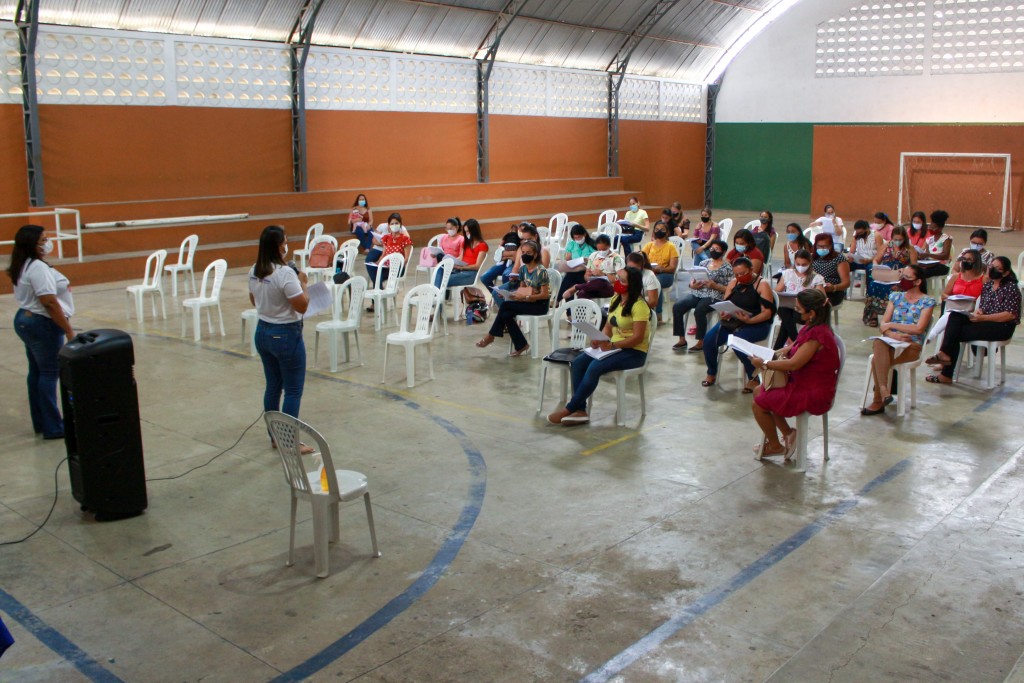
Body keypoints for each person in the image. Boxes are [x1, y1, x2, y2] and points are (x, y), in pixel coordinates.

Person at [546, 265, 652, 426]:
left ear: (632, 285)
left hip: (633, 352)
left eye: (622, 280)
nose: (617, 282)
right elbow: (609, 325)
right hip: (613, 348)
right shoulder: (617, 299)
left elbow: (637, 338)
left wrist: (612, 345)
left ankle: (569, 408)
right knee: (578, 363)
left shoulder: (639, 306)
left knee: (595, 367)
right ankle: (580, 411)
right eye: (617, 278)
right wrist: (600, 338)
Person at [750, 289, 840, 459]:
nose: (795, 312)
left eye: (798, 309)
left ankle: (776, 446)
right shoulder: (810, 328)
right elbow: (790, 348)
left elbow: (794, 363)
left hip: (813, 390)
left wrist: (764, 364)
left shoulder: (817, 335)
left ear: (811, 313)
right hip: (802, 381)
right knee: (759, 391)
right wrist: (770, 354)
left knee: (759, 404)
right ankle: (789, 433)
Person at [8, 225, 75, 440]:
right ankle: (53, 426)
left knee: (36, 372)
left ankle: (42, 421)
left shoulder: (23, 264)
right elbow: (50, 304)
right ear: (32, 244)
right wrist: (68, 331)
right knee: (49, 374)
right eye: (43, 239)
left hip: (26, 320)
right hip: (41, 324)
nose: (47, 242)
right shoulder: (37, 268)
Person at [248, 226, 312, 449]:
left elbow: (254, 300)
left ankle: (275, 437)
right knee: (293, 390)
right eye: (285, 241)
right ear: (278, 246)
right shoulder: (285, 273)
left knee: (273, 386)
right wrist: (303, 281)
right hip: (285, 334)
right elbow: (302, 306)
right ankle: (289, 441)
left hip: (263, 331)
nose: (287, 245)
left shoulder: (255, 270)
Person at [925, 257, 1020, 384]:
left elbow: (1010, 315)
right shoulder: (988, 286)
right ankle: (945, 355)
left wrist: (983, 317)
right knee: (955, 316)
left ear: (1006, 272)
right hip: (985, 321)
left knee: (955, 332)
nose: (992, 270)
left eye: (998, 268)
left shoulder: (1011, 288)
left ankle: (946, 369)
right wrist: (979, 313)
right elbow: (984, 307)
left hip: (1002, 326)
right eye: (992, 266)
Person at [861, 265, 935, 414]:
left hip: (911, 345)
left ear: (918, 281)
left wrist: (892, 325)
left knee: (877, 360)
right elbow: (883, 325)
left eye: (907, 278)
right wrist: (893, 334)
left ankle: (878, 400)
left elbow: (919, 329)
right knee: (879, 342)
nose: (903, 280)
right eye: (902, 276)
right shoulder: (896, 297)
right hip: (891, 342)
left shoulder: (927, 302)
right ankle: (884, 390)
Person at [701, 257, 775, 392]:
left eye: (743, 273)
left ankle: (753, 377)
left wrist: (750, 320)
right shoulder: (734, 283)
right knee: (709, 341)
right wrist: (724, 313)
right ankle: (711, 372)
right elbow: (725, 304)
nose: (740, 277)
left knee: (737, 343)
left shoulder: (762, 284)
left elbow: (767, 313)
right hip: (733, 322)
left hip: (756, 324)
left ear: (751, 270)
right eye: (737, 274)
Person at [476, 240, 549, 357]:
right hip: (527, 301)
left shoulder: (541, 271)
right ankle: (521, 345)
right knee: (506, 314)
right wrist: (509, 294)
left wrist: (526, 296)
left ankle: (491, 336)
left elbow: (545, 295)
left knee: (505, 306)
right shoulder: (523, 269)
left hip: (539, 305)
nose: (525, 255)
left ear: (535, 255)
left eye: (528, 253)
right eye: (523, 252)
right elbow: (522, 288)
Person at [672, 239, 732, 352]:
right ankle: (681, 339)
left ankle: (701, 341)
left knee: (699, 310)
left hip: (714, 295)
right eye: (712, 249)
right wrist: (692, 285)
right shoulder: (704, 262)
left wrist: (715, 286)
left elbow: (730, 288)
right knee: (678, 306)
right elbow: (693, 278)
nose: (713, 251)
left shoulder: (727, 268)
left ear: (723, 252)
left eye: (717, 249)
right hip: (697, 292)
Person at [862, 225, 917, 326]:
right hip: (885, 274)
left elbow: (914, 266)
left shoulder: (910, 249)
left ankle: (893, 315)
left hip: (900, 276)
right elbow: (876, 259)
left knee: (896, 288)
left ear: (904, 238)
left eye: (900, 239)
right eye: (895, 239)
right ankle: (873, 314)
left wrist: (905, 270)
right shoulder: (886, 246)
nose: (897, 241)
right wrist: (876, 265)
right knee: (873, 285)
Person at [773, 249, 825, 349]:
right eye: (798, 263)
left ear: (810, 263)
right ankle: (797, 342)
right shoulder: (788, 273)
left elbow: (821, 298)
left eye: (804, 264)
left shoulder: (816, 278)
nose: (800, 266)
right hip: (788, 306)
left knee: (786, 317)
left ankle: (778, 350)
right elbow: (777, 292)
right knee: (785, 311)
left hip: (804, 310)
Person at [366, 213, 413, 308]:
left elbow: (406, 258)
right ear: (388, 225)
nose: (394, 225)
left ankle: (377, 302)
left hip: (397, 268)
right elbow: (384, 254)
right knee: (374, 270)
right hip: (386, 266)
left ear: (400, 224)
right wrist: (378, 262)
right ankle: (379, 299)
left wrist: (396, 267)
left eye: (396, 223)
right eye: (392, 223)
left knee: (377, 277)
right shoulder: (386, 238)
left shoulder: (405, 239)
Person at [562, 234, 623, 303]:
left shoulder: (617, 259)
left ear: (609, 246)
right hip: (593, 286)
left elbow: (621, 280)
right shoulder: (593, 256)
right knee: (582, 293)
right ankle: (578, 313)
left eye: (604, 249)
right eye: (599, 249)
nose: (601, 252)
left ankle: (576, 287)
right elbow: (586, 277)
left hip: (611, 288)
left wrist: (604, 274)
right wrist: (588, 275)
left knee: (601, 282)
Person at [641, 221, 679, 322]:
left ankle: (657, 315)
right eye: (657, 229)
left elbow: (672, 268)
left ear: (667, 232)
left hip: (665, 274)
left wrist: (660, 269)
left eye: (662, 230)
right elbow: (640, 258)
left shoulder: (671, 247)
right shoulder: (649, 245)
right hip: (650, 272)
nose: (659, 232)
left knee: (656, 283)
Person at [436, 218, 488, 290]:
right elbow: (461, 258)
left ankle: (436, 296)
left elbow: (477, 266)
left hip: (470, 273)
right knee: (439, 270)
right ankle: (437, 296)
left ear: (474, 231)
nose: (467, 234)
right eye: (465, 232)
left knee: (443, 280)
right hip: (459, 270)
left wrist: (462, 267)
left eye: (468, 232)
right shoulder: (466, 243)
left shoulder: (482, 245)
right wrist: (450, 262)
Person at [557, 223, 597, 299]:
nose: (577, 239)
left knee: (570, 278)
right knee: (570, 276)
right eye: (576, 238)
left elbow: (596, 259)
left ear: (584, 234)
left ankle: (559, 299)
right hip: (575, 269)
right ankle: (568, 308)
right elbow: (568, 258)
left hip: (587, 270)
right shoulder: (572, 244)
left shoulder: (592, 244)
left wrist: (586, 260)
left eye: (579, 237)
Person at [810, 232, 850, 307]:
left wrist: (833, 288)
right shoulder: (811, 258)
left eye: (825, 246)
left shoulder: (839, 258)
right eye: (819, 246)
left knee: (817, 303)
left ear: (831, 246)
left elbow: (846, 283)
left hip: (833, 292)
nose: (822, 249)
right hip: (813, 290)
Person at [918, 209, 953, 279]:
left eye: (933, 228)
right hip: (930, 264)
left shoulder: (946, 238)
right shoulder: (929, 239)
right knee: (916, 270)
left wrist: (928, 255)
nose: (931, 229)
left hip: (942, 266)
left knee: (923, 273)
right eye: (930, 226)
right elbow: (927, 256)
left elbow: (945, 256)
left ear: (940, 228)